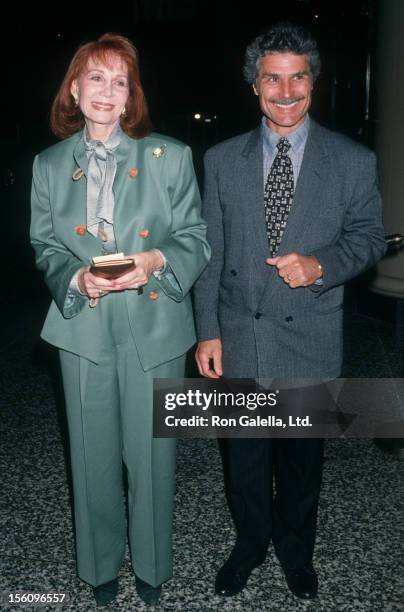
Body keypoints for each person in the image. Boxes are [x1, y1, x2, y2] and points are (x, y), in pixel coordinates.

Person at [194, 22, 385, 600]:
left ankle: (296, 553)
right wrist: (206, 332)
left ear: (313, 82)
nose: (285, 91)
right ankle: (250, 546)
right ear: (254, 85)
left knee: (302, 465)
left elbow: (371, 237)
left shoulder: (353, 160)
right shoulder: (222, 159)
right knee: (245, 464)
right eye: (272, 78)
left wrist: (322, 264)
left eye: (297, 77)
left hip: (311, 335)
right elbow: (211, 251)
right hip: (239, 335)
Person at [30, 33, 210, 607]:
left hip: (154, 327)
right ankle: (99, 566)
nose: (106, 91)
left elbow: (195, 240)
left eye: (119, 81)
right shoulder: (49, 165)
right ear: (75, 90)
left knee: (154, 457)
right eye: (95, 78)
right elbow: (44, 245)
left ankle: (154, 568)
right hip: (82, 328)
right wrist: (74, 278)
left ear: (132, 96)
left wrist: (156, 261)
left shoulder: (171, 156)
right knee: (90, 454)